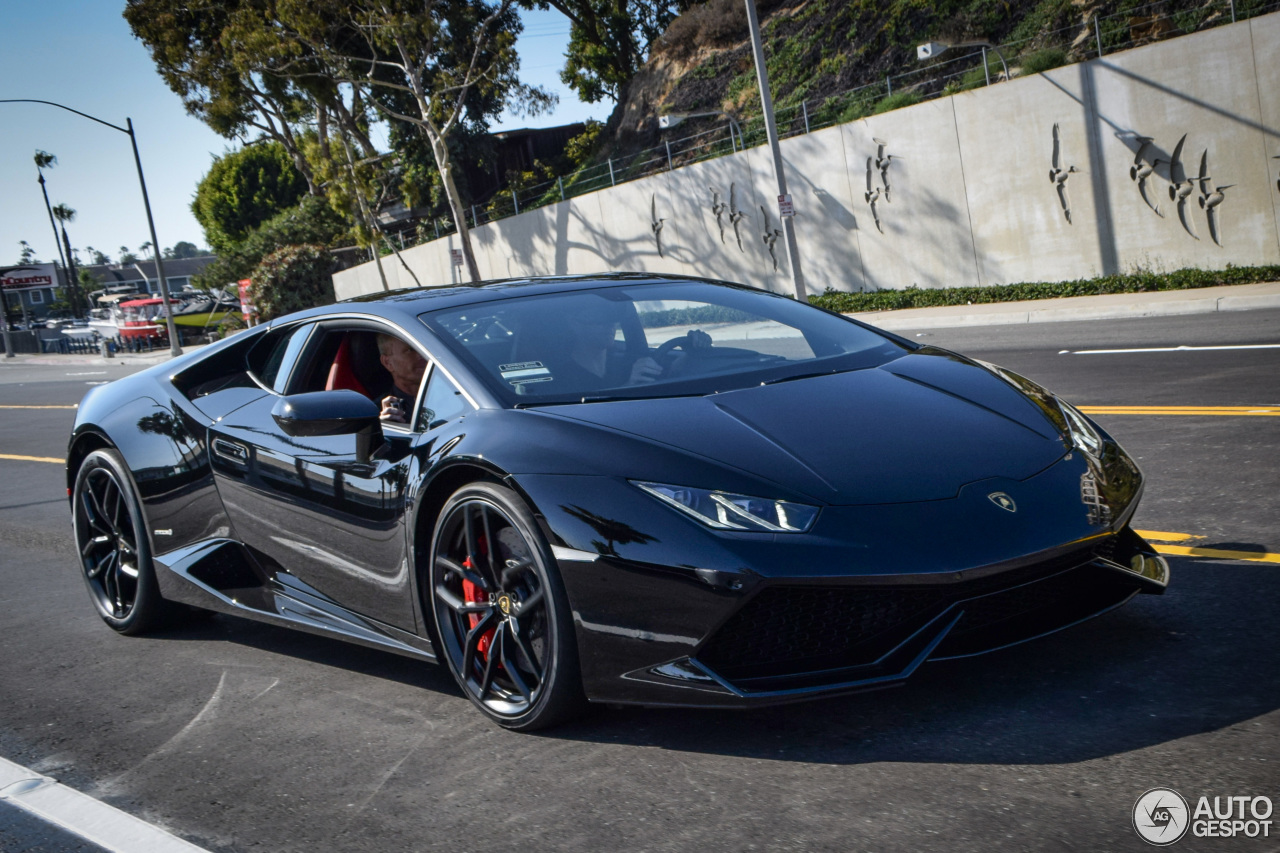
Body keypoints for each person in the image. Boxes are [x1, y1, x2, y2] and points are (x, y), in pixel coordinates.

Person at [375, 333, 427, 424]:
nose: (421, 355)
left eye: (424, 348)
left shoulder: (455, 388)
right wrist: (384, 428)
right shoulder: (376, 412)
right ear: (388, 363)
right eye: (410, 350)